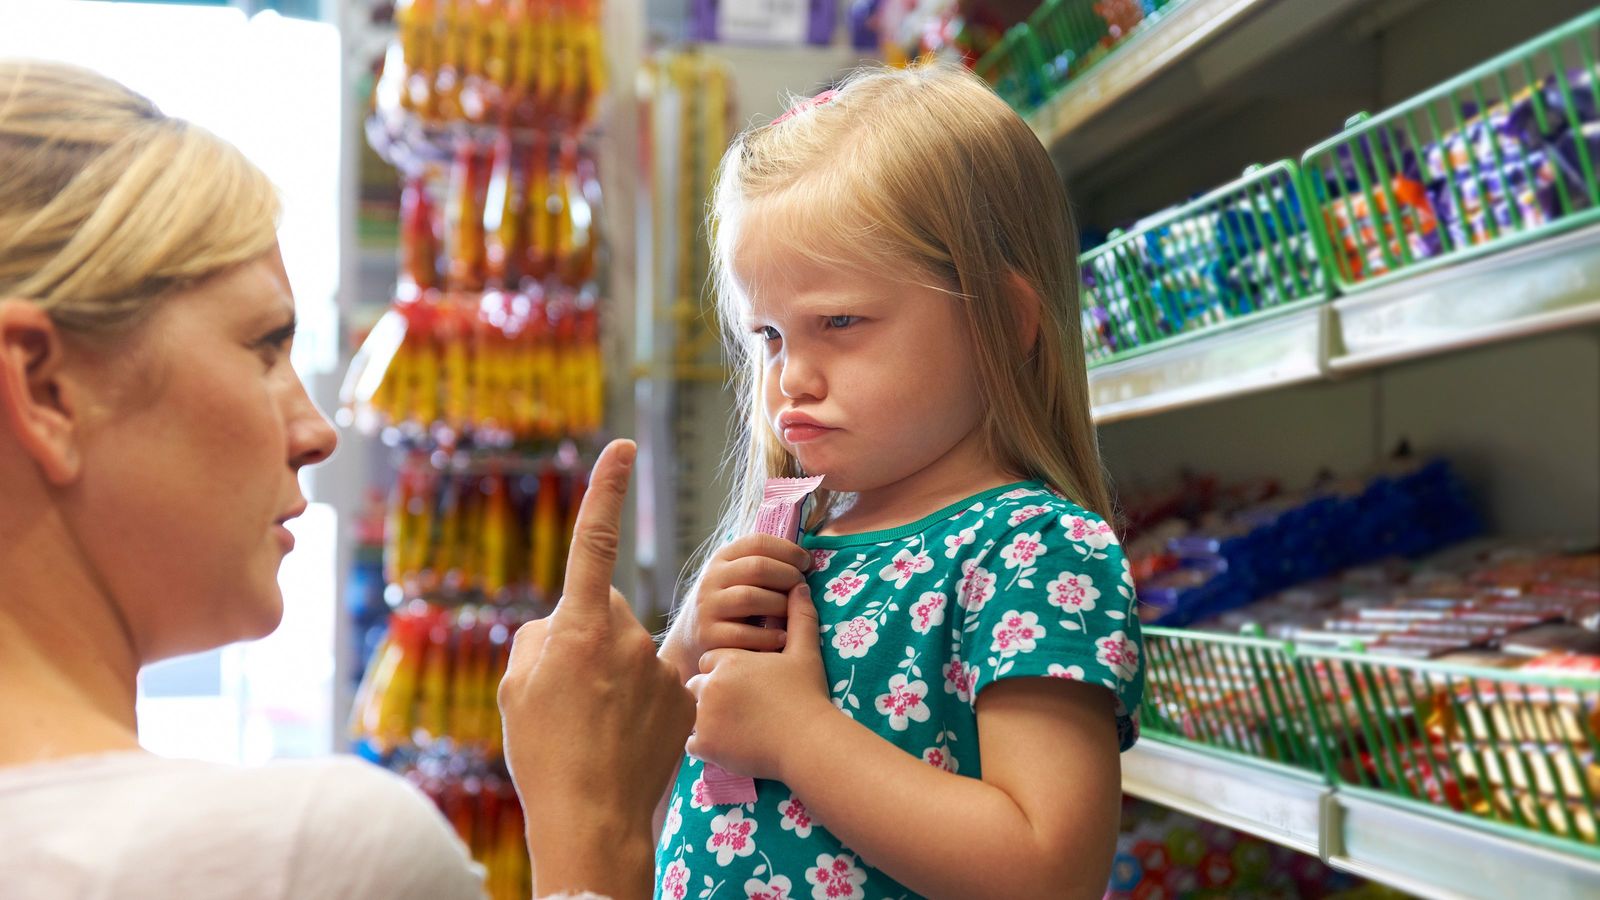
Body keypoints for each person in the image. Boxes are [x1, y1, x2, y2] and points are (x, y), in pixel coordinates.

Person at [0, 59, 691, 900]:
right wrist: (596, 821)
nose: (317, 432)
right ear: (44, 389)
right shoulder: (305, 855)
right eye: (263, 347)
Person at [656, 62, 1145, 900]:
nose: (791, 378)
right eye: (768, 334)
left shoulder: (1033, 550)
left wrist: (797, 736)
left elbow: (1048, 869)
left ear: (1004, 321)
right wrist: (686, 648)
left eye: (839, 323)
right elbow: (640, 770)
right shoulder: (800, 543)